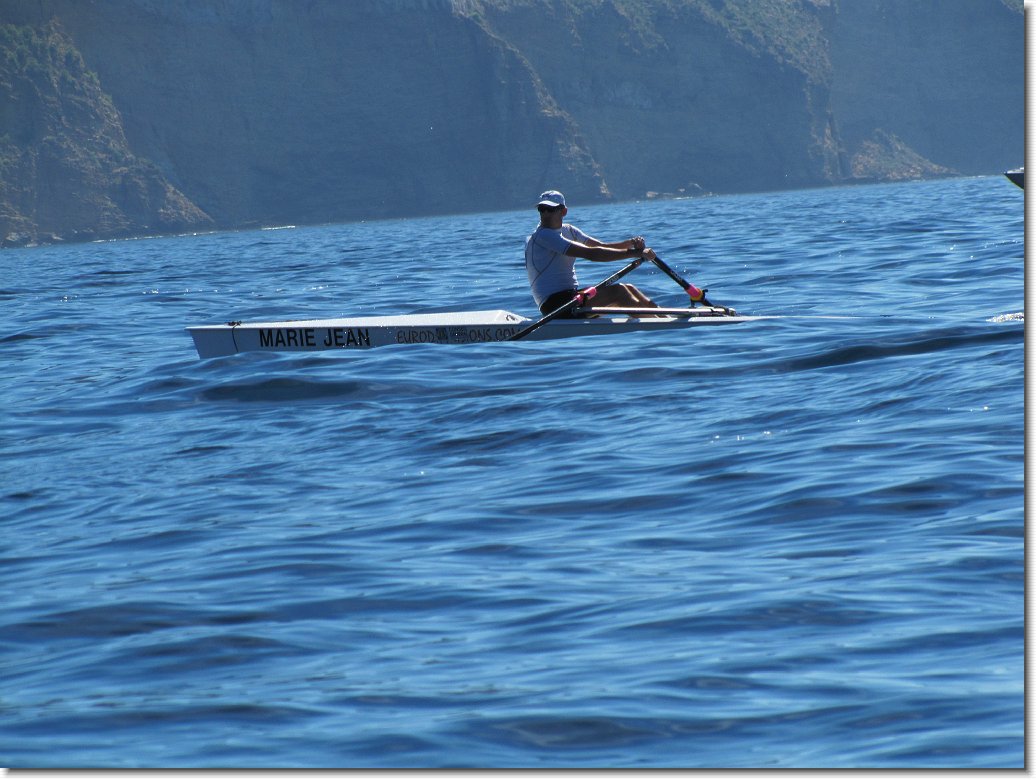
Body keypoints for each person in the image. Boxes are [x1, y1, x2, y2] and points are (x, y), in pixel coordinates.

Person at [524, 190, 662, 317]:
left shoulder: (569, 230)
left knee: (629, 288)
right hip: (554, 306)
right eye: (541, 209)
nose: (545, 214)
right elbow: (591, 254)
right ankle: (656, 325)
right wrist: (637, 253)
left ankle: (666, 319)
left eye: (550, 209)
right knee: (619, 292)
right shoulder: (544, 235)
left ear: (563, 211)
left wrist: (630, 243)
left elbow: (600, 246)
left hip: (571, 297)